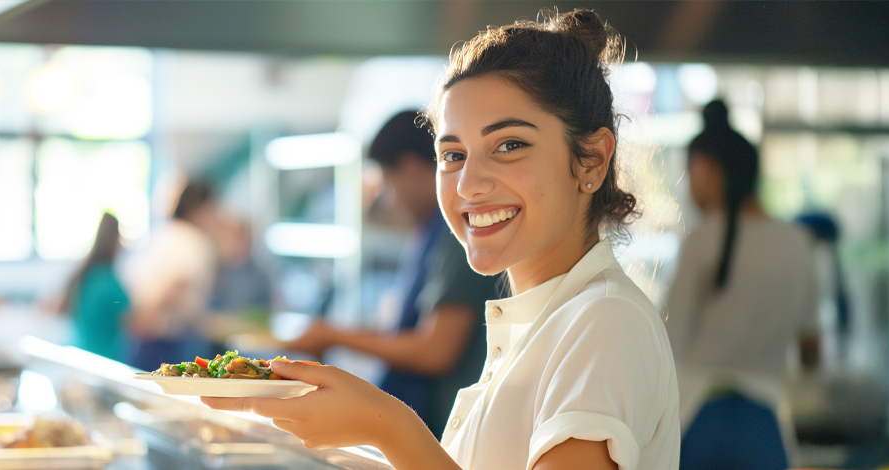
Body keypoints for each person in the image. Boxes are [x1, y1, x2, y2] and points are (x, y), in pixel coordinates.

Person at [204, 10, 680, 470]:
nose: (469, 183)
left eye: (510, 145)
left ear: (593, 160)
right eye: (452, 154)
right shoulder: (539, 324)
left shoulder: (603, 321)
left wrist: (387, 427)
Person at [285, 110, 498, 438]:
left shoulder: (457, 235)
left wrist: (332, 336)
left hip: (448, 427)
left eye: (387, 182)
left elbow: (434, 350)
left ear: (412, 167)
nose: (386, 199)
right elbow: (408, 330)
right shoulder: (430, 233)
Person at [661, 100, 820, 466]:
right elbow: (811, 347)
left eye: (689, 174)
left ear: (709, 170)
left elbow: (666, 343)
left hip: (697, 422)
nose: (688, 188)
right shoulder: (796, 241)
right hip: (765, 428)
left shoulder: (702, 239)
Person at [121, 180, 220, 370]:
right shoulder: (193, 239)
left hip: (145, 332)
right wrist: (149, 316)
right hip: (164, 336)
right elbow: (176, 284)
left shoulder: (163, 232)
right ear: (198, 208)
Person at [58, 213, 132, 362]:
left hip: (78, 359)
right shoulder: (108, 282)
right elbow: (138, 324)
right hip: (104, 363)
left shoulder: (83, 276)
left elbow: (58, 308)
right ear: (115, 241)